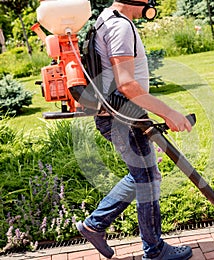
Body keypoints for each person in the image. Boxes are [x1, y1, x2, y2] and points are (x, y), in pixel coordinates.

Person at [76, 0, 193, 259]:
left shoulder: (106, 18)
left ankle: (93, 226)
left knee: (144, 177)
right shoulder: (119, 26)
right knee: (148, 181)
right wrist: (169, 112)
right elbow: (127, 85)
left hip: (121, 115)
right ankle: (154, 250)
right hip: (123, 118)